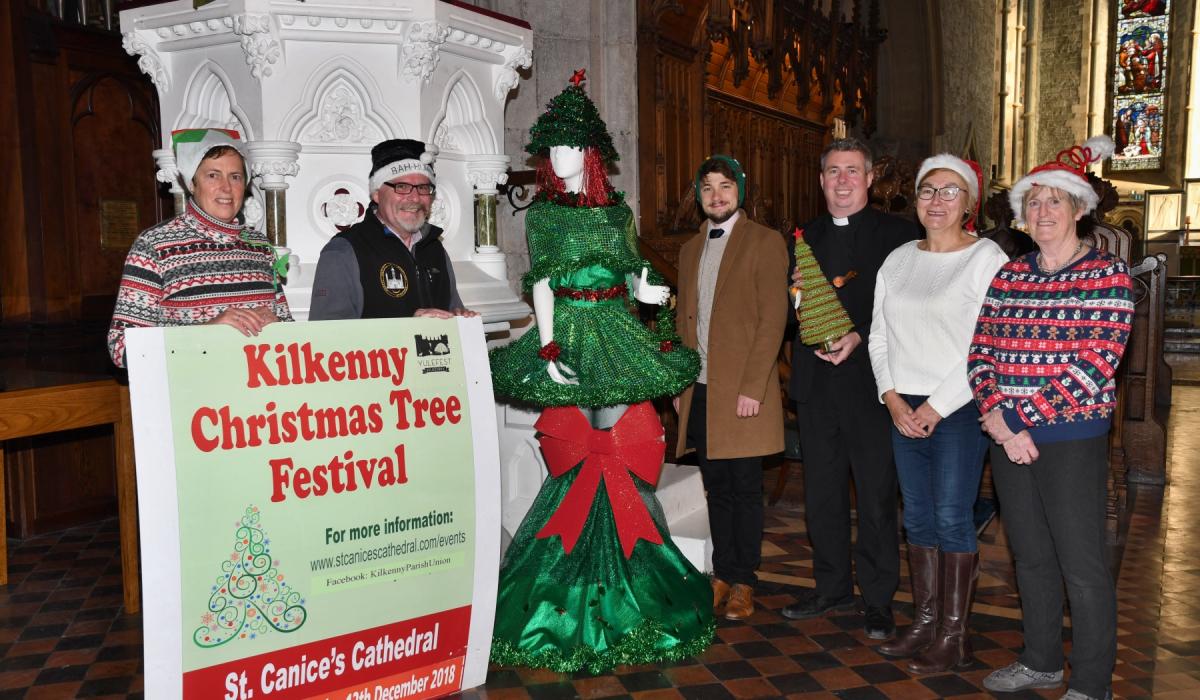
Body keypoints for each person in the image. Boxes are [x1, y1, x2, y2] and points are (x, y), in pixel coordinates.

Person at [488, 71, 711, 673]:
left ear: (589, 153)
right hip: (570, 332)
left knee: (613, 455)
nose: (557, 157)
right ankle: (566, 587)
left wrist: (648, 291)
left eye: (568, 147)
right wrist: (548, 347)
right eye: (551, 148)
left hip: (614, 330)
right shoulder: (543, 214)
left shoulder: (617, 211)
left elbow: (633, 269)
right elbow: (540, 282)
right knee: (577, 456)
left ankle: (627, 586)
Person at [972, 136, 1132, 700]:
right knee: (1031, 555)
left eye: (1054, 201)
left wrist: (1017, 418)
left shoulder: (1107, 274)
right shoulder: (1010, 275)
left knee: (1081, 563)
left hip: (1069, 438)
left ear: (1079, 208)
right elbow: (980, 351)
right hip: (1006, 435)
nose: (1042, 211)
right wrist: (995, 413)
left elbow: (1097, 362)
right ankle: (1040, 661)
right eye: (1033, 202)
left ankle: (1091, 682)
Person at [867, 154, 1009, 671]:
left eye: (950, 191)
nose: (937, 200)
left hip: (958, 408)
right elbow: (879, 335)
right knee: (919, 517)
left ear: (969, 203)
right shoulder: (898, 259)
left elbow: (986, 344)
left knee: (951, 516)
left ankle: (955, 635)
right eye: (928, 190)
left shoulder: (986, 257)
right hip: (903, 406)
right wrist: (891, 397)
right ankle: (925, 623)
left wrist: (934, 406)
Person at [781, 138, 920, 640]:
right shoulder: (802, 236)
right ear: (821, 180)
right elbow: (789, 312)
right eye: (834, 172)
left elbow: (907, 308)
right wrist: (797, 299)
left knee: (877, 496)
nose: (843, 181)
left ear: (869, 178)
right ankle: (831, 587)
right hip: (817, 383)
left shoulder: (901, 235)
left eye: (852, 171)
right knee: (821, 494)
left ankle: (878, 599)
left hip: (873, 386)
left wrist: (858, 334)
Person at [673, 155, 789, 621]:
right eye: (707, 188)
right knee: (716, 489)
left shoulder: (765, 242)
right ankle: (721, 574)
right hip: (701, 389)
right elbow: (686, 322)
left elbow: (773, 320)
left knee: (744, 489)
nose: (716, 195)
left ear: (740, 190)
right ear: (698, 196)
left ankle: (744, 581)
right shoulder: (689, 249)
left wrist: (753, 387)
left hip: (742, 390)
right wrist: (680, 382)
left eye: (725, 186)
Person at [108, 128, 290, 367]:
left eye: (235, 177)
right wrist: (207, 331)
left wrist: (279, 326)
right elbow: (121, 348)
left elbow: (289, 328)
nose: (226, 188)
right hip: (192, 389)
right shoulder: (154, 246)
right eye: (213, 175)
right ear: (192, 184)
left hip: (258, 388)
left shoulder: (260, 247)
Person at [308, 138, 476, 320]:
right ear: (377, 194)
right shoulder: (343, 251)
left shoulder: (435, 249)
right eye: (402, 187)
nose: (415, 198)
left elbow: (451, 311)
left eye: (423, 187)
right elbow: (327, 333)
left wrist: (459, 317)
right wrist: (409, 326)